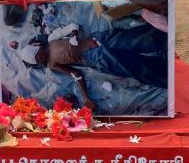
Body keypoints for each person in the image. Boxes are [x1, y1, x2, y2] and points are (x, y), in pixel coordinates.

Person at [18, 14, 168, 110]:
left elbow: (72, 26)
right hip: (95, 58)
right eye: (37, 61)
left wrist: (73, 35)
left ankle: (166, 36)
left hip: (98, 40)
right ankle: (166, 74)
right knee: (134, 66)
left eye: (37, 56)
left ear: (37, 47)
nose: (40, 60)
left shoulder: (52, 39)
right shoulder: (52, 64)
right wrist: (85, 96)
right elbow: (75, 74)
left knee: (136, 39)